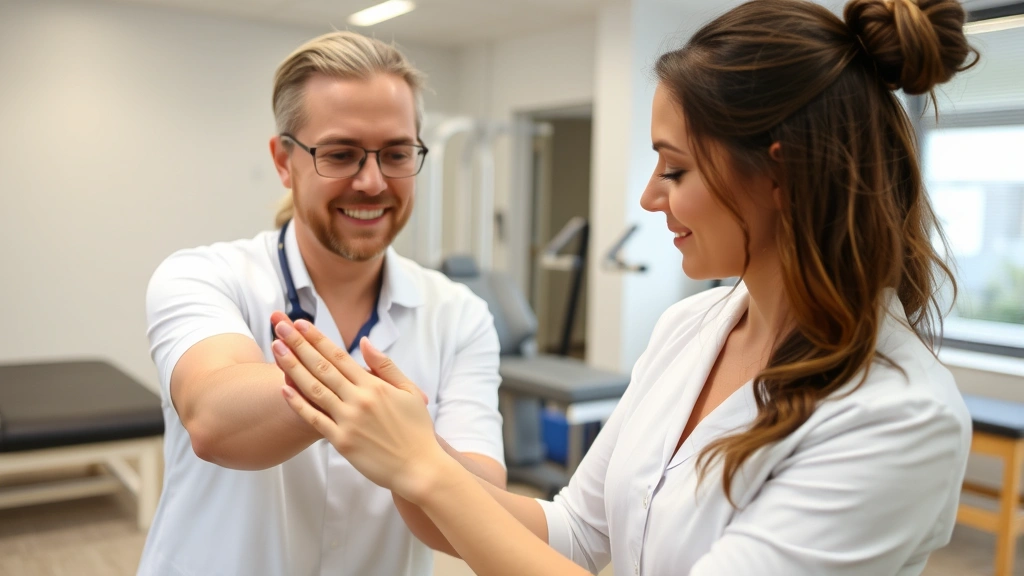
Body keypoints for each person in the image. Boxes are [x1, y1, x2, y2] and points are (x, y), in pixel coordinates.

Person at [269, 0, 979, 574]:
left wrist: (426, 469)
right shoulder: (691, 329)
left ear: (779, 174)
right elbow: (574, 533)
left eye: (675, 169)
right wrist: (407, 452)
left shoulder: (898, 418)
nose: (648, 197)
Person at [137, 31, 507, 576]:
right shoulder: (205, 276)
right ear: (283, 161)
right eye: (341, 154)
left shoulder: (459, 314)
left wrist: (413, 452)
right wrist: (388, 414)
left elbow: (485, 506)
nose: (373, 182)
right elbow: (214, 419)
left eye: (397, 154)